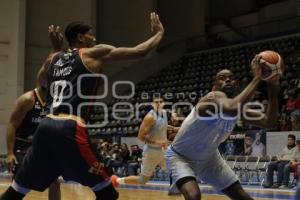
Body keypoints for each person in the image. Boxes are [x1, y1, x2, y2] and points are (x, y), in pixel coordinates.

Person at [0, 12, 164, 200]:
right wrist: (159, 33)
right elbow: (139, 51)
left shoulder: (53, 58)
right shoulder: (92, 52)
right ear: (80, 37)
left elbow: (42, 80)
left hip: (45, 127)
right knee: (107, 192)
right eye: (90, 34)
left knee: (17, 190)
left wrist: (55, 49)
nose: (94, 38)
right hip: (69, 127)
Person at [166, 55, 281, 200]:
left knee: (241, 196)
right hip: (180, 157)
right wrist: (257, 77)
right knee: (194, 196)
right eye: (222, 77)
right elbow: (231, 108)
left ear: (236, 84)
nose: (227, 79)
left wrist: (272, 91)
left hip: (209, 158)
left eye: (231, 78)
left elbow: (269, 122)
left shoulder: (236, 107)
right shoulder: (211, 97)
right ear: (215, 85)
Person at [5, 25, 63, 200]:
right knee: (21, 186)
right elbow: (12, 125)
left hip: (43, 146)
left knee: (55, 182)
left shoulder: (55, 100)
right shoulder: (28, 99)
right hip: (23, 147)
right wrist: (9, 153)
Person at [114, 96, 169, 185]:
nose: (158, 104)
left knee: (175, 169)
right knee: (143, 180)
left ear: (164, 103)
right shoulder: (150, 117)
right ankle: (117, 180)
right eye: (156, 102)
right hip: (152, 151)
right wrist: (158, 142)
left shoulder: (165, 113)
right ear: (152, 104)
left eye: (161, 101)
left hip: (164, 150)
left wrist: (175, 128)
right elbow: (140, 136)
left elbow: (163, 127)